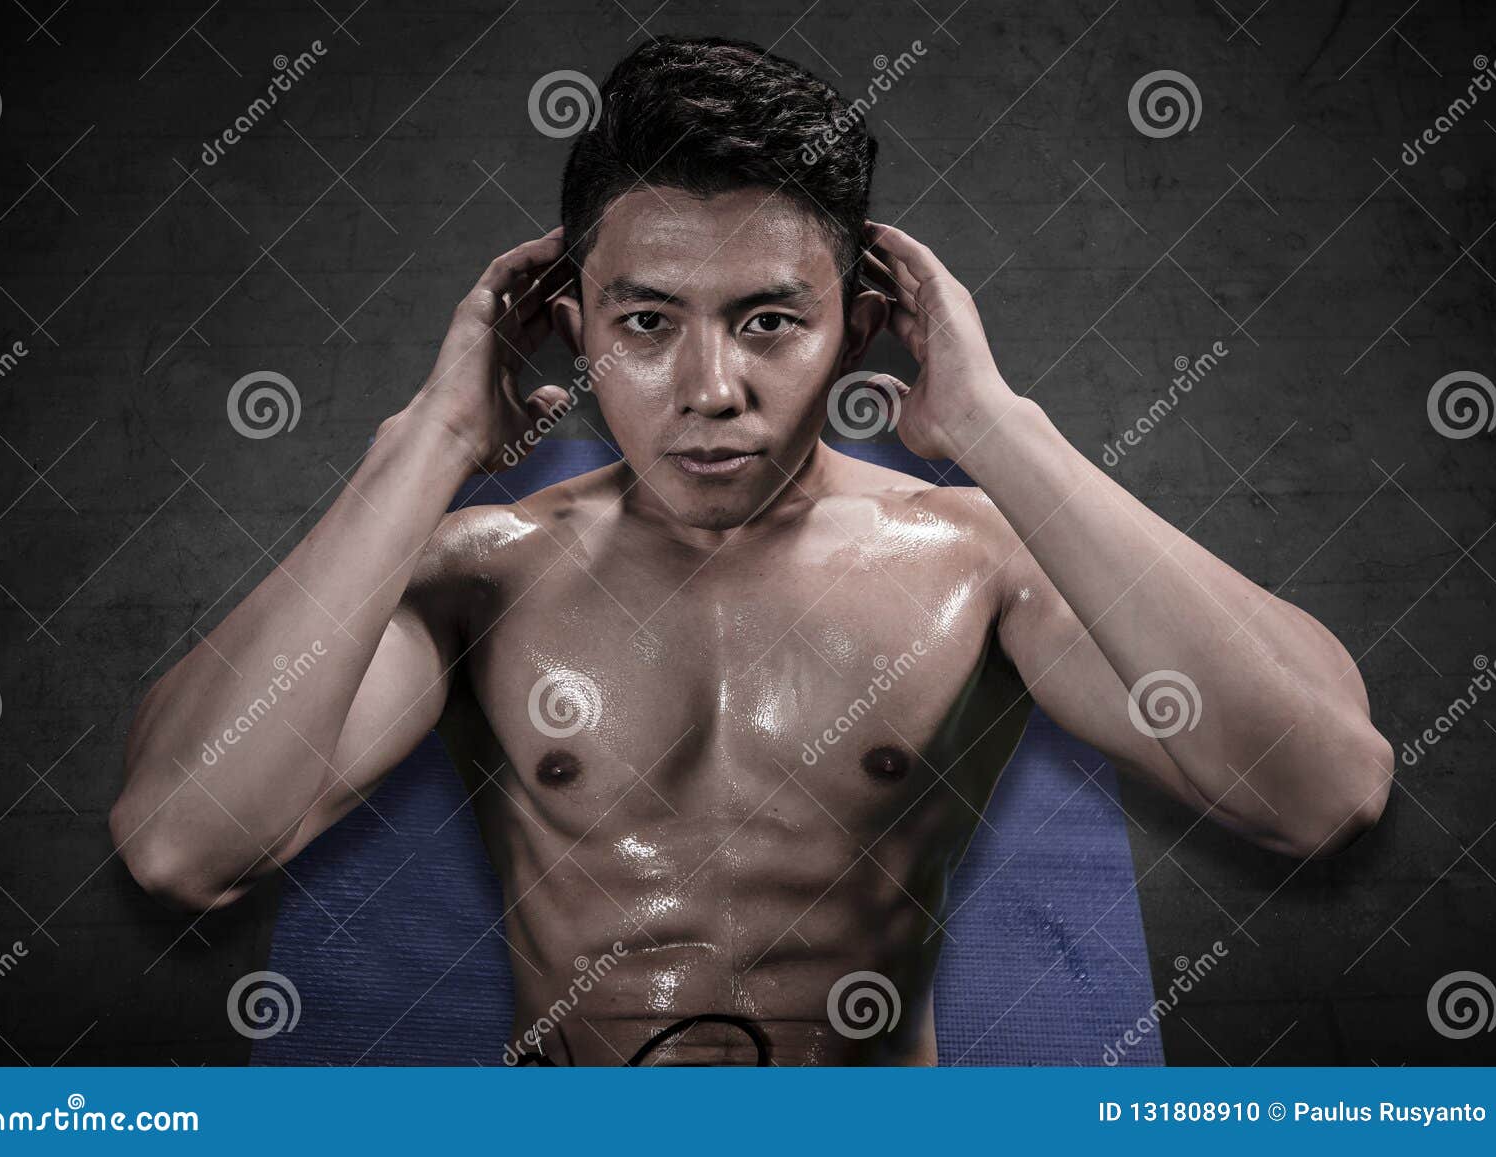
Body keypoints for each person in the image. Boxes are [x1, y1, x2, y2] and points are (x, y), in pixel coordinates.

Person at [111, 37, 1393, 1065]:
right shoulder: (481, 569)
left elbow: (1320, 791)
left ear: (862, 327)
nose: (708, 385)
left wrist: (1001, 430)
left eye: (770, 318)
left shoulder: (973, 560)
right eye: (648, 321)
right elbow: (185, 844)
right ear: (569, 328)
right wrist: (429, 438)